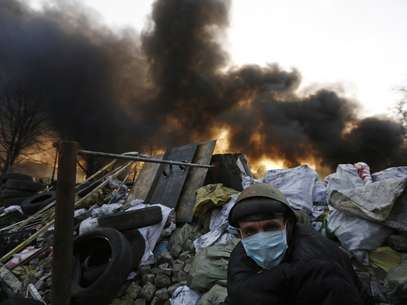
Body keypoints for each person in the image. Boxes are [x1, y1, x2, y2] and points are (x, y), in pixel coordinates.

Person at [225, 183, 370, 305]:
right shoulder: (243, 250)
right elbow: (239, 293)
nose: (261, 238)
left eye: (271, 227)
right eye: (250, 231)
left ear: (288, 226)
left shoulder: (318, 260)